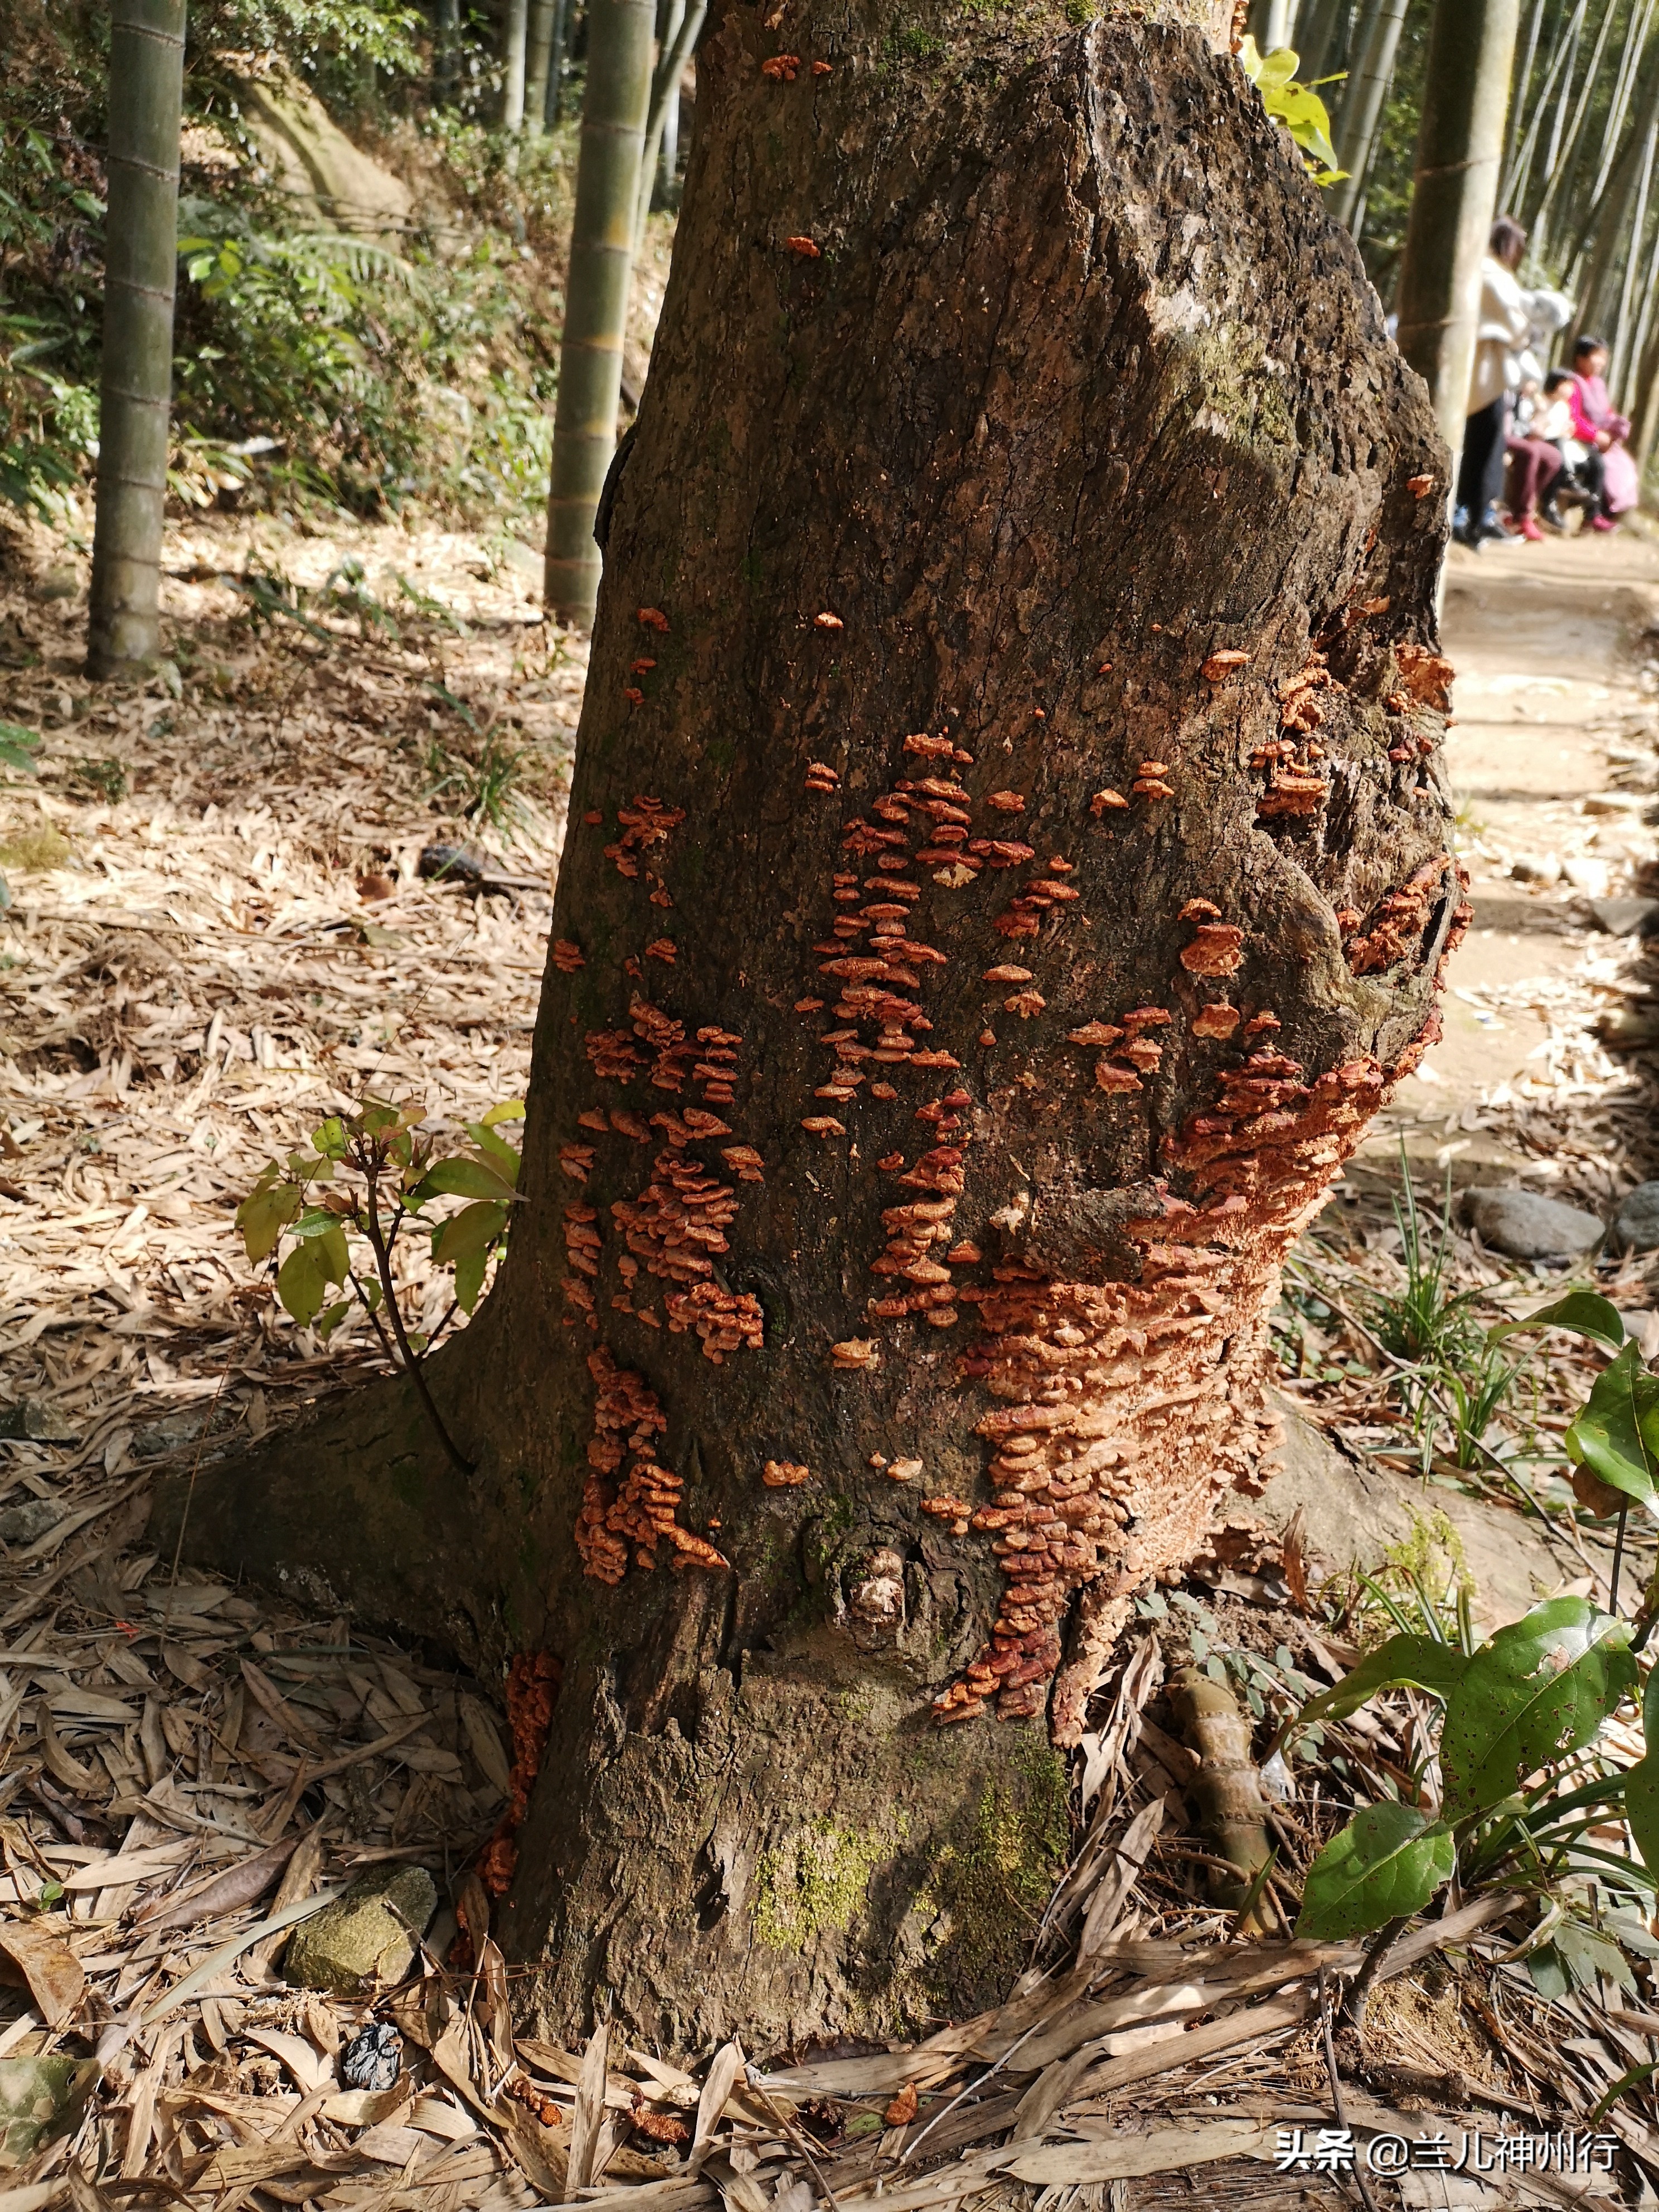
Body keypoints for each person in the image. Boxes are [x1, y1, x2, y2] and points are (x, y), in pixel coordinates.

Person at [1456, 218, 1532, 549]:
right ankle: (1468, 514)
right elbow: (1515, 323)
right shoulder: (1491, 273)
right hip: (1479, 369)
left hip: (1482, 367)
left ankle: (1476, 514)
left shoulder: (1481, 269)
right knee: (1481, 443)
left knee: (1483, 444)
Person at [1568, 334, 1636, 526]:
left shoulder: (1598, 384)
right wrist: (1595, 435)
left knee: (1625, 466)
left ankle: (1610, 514)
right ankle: (1594, 515)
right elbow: (1573, 418)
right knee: (1601, 465)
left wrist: (1617, 425)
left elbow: (1606, 412)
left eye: (1603, 357)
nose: (1601, 362)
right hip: (1580, 438)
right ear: (1580, 359)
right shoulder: (1572, 383)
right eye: (1595, 356)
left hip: (1602, 439)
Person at [1536, 367, 1606, 529]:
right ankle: (1565, 483)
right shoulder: (1542, 402)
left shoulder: (1564, 407)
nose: (1570, 390)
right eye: (1566, 385)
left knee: (1589, 461)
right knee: (1558, 455)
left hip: (1563, 443)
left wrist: (1568, 430)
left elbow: (1567, 427)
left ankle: (1587, 499)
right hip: (1546, 441)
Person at [1502, 376, 1561, 541]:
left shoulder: (1527, 400)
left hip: (1523, 436)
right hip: (1504, 435)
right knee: (1530, 452)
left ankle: (1527, 508)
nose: (1532, 385)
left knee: (1554, 457)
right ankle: (1522, 517)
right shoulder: (1506, 393)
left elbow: (1527, 424)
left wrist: (1537, 421)